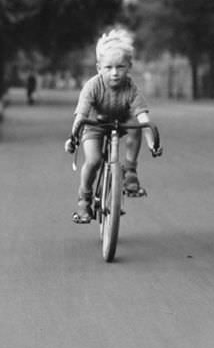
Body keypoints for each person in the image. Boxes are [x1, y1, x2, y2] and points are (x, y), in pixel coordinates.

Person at [64, 29, 160, 224]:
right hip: (94, 124)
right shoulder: (92, 86)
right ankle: (84, 199)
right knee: (94, 160)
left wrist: (153, 144)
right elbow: (81, 115)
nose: (114, 73)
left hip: (121, 121)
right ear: (99, 68)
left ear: (129, 67)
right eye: (108, 67)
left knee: (135, 126)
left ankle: (130, 172)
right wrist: (73, 138)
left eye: (120, 67)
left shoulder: (131, 88)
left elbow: (144, 119)